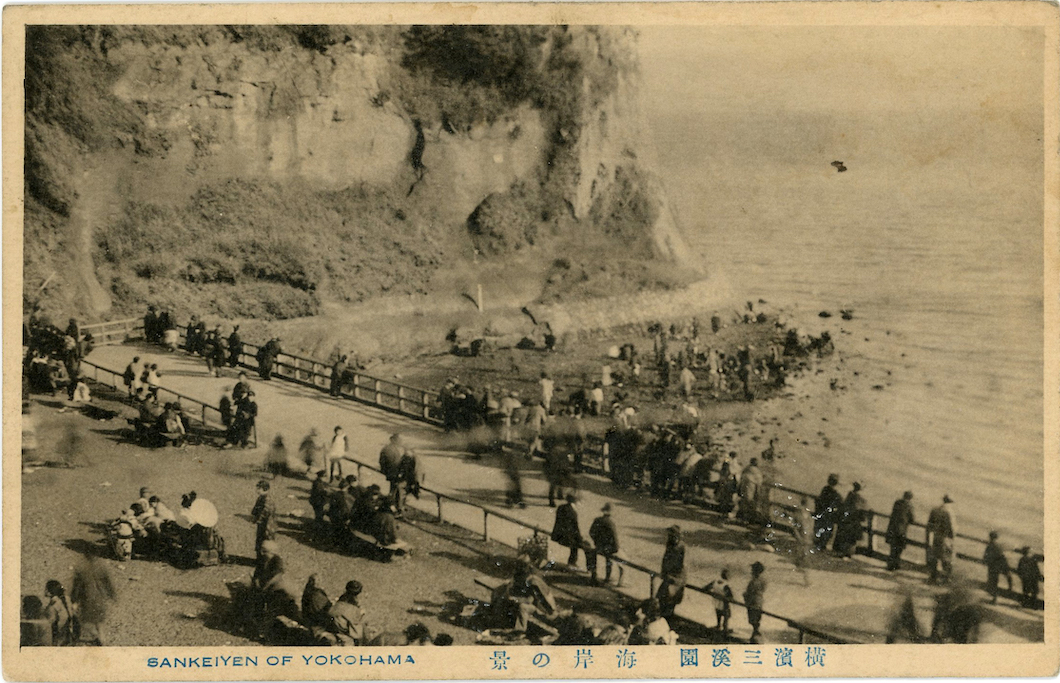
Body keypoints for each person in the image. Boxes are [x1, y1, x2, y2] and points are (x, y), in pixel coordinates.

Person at [70, 556, 116, 645]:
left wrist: (74, 600)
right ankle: (102, 639)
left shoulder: (82, 569)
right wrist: (112, 595)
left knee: (84, 621)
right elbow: (108, 583)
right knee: (99, 622)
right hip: (100, 598)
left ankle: (97, 638)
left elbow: (77, 587)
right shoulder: (101, 567)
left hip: (88, 599)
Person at [551, 494, 593, 571]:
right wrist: (581, 538)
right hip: (567, 538)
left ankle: (572, 562)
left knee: (576, 544)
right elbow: (575, 529)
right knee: (588, 547)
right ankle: (589, 569)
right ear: (575, 502)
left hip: (558, 536)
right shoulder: (573, 512)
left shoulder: (561, 507)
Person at [656, 525, 686, 619]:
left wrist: (670, 576)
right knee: (663, 599)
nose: (669, 537)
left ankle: (667, 619)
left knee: (669, 600)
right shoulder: (670, 544)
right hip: (669, 575)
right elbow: (665, 559)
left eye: (671, 535)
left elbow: (678, 564)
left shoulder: (679, 547)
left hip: (675, 577)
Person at [589, 503, 623, 586]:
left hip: (599, 546)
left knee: (600, 556)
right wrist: (616, 548)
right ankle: (608, 577)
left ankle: (595, 574)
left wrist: (596, 541)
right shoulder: (610, 523)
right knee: (611, 560)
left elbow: (591, 532)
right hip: (608, 548)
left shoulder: (597, 520)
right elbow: (614, 538)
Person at [832, 481, 868, 558]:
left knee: (846, 537)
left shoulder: (851, 495)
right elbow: (861, 510)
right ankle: (847, 553)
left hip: (847, 520)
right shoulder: (859, 498)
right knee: (850, 539)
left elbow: (845, 506)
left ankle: (843, 552)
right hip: (853, 521)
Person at [926, 494, 956, 584]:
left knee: (935, 557)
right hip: (945, 538)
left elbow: (929, 524)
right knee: (946, 558)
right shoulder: (949, 512)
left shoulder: (935, 509)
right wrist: (952, 538)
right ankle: (946, 578)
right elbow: (952, 528)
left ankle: (933, 577)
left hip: (936, 536)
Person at [327, 581, 367, 645]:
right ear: (358, 595)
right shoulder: (353, 610)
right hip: (346, 642)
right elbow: (357, 634)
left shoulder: (336, 605)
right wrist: (360, 617)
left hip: (331, 637)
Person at [885, 491, 915, 570]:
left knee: (892, 547)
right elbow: (912, 519)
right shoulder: (909, 505)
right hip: (901, 529)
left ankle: (890, 565)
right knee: (899, 548)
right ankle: (896, 564)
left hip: (892, 527)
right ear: (910, 498)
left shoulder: (897, 502)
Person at [813, 473, 843, 551]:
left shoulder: (825, 490)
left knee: (820, 528)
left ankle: (819, 544)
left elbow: (819, 500)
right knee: (827, 531)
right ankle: (822, 545)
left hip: (822, 513)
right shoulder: (836, 494)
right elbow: (839, 503)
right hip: (829, 515)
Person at [982, 531, 1013, 604]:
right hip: (999, 564)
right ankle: (1009, 590)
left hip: (993, 566)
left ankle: (995, 598)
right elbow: (1003, 556)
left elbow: (985, 557)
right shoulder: (998, 546)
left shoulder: (990, 546)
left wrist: (987, 562)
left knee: (993, 582)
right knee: (1002, 579)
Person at [44, 580, 75, 646]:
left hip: (60, 632)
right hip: (69, 631)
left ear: (50, 591)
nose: (44, 591)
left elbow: (52, 620)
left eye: (46, 589)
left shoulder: (54, 603)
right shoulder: (67, 599)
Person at [378, 433, 405, 509]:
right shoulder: (389, 449)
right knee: (396, 490)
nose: (400, 442)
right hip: (393, 473)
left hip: (392, 472)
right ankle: (394, 506)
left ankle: (392, 504)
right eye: (399, 441)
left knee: (394, 489)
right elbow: (390, 463)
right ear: (394, 441)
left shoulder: (389, 448)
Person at [251, 480, 277, 557]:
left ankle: (265, 559)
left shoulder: (268, 500)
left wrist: (257, 519)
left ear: (264, 489)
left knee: (266, 541)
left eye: (259, 488)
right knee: (259, 540)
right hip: (262, 524)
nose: (257, 490)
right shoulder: (261, 498)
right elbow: (255, 509)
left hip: (268, 525)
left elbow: (265, 512)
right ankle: (259, 558)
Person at [705, 569, 734, 636]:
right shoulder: (726, 585)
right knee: (727, 615)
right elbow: (730, 596)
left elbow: (706, 588)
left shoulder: (715, 582)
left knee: (719, 614)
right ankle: (725, 628)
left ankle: (718, 625)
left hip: (716, 602)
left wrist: (713, 593)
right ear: (727, 576)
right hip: (724, 603)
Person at [743, 561, 767, 643]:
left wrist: (745, 596)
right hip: (759, 600)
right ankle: (755, 634)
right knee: (756, 617)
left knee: (753, 618)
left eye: (752, 569)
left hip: (753, 601)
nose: (751, 571)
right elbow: (763, 589)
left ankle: (755, 634)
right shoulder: (763, 581)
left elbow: (749, 591)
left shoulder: (753, 581)